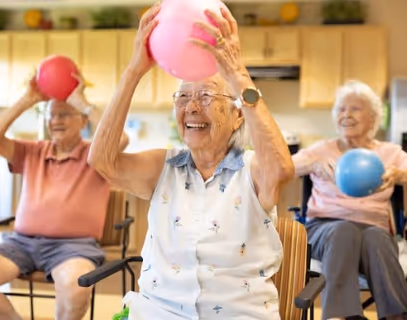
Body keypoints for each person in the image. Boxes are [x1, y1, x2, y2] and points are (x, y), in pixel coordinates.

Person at [88, 4, 294, 320]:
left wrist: (238, 76)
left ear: (237, 116)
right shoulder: (162, 167)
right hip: (158, 312)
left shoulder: (250, 170)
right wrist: (134, 71)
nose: (192, 107)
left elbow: (281, 170)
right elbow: (101, 161)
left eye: (207, 97)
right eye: (183, 97)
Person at [0, 74, 129, 320]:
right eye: (51, 115)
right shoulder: (33, 151)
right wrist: (27, 99)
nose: (55, 120)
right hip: (21, 243)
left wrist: (81, 102)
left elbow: (120, 138)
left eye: (65, 114)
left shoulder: (96, 154)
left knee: (75, 287)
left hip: (73, 247)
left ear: (83, 121)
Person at [292, 80, 407, 320]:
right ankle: (342, 316)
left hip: (373, 228)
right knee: (344, 230)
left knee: (377, 237)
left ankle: (397, 315)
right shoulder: (321, 149)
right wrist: (310, 164)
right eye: (342, 109)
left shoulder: (390, 153)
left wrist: (400, 175)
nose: (346, 115)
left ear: (374, 117)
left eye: (355, 109)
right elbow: (283, 168)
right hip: (324, 228)